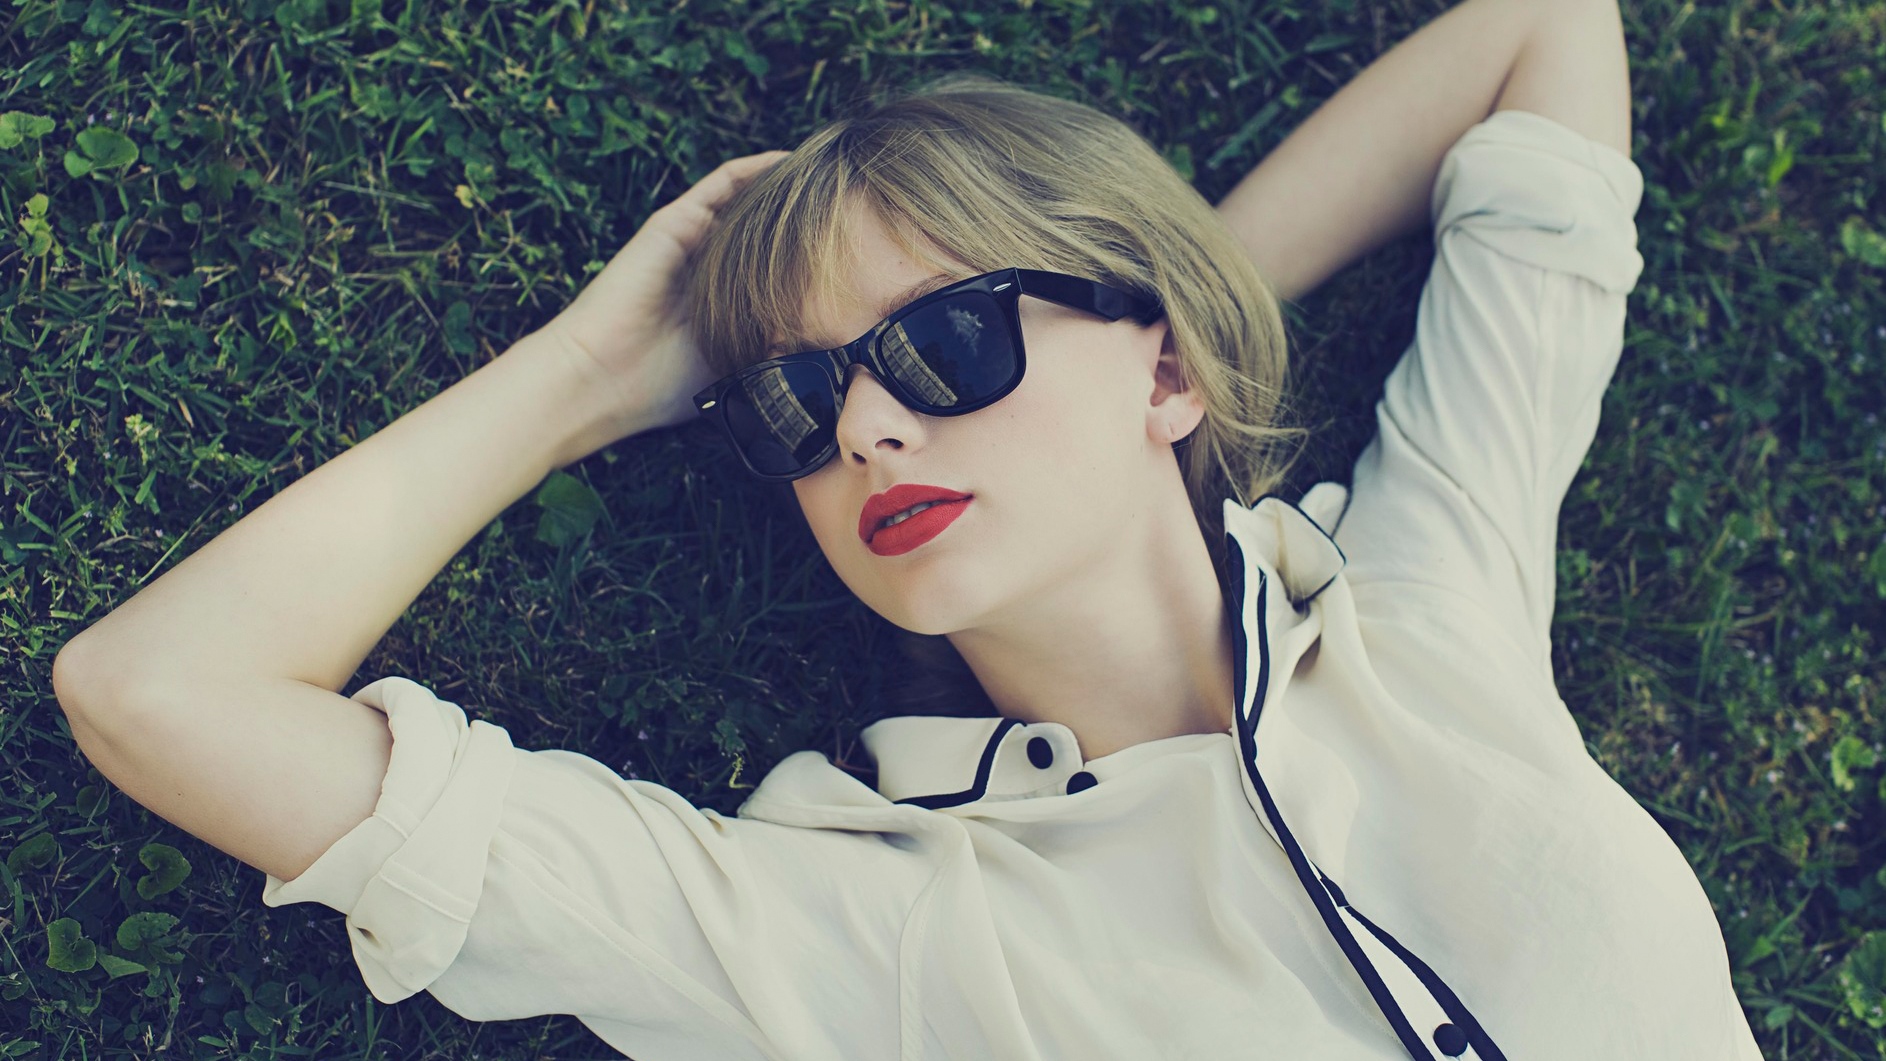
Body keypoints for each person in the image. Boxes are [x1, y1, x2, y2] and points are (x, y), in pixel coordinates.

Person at [51, 0, 1766, 1057]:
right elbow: (157, 692)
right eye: (795, 401)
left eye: (945, 342)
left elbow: (1541, 34)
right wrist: (580, 380)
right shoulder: (858, 926)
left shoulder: (1424, 604)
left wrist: (1171, 317)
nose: (867, 426)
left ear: (1167, 369)